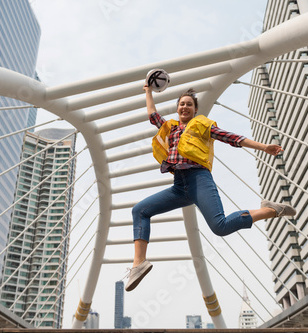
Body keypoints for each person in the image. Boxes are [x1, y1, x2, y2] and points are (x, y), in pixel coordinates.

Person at [125, 86, 297, 292]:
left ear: (195, 110)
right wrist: (147, 90)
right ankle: (139, 263)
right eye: (182, 104)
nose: (185, 107)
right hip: (179, 186)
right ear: (177, 109)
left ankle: (270, 210)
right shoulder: (169, 128)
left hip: (199, 179)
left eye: (189, 104)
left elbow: (231, 138)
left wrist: (263, 147)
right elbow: (153, 115)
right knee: (140, 210)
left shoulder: (202, 126)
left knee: (220, 226)